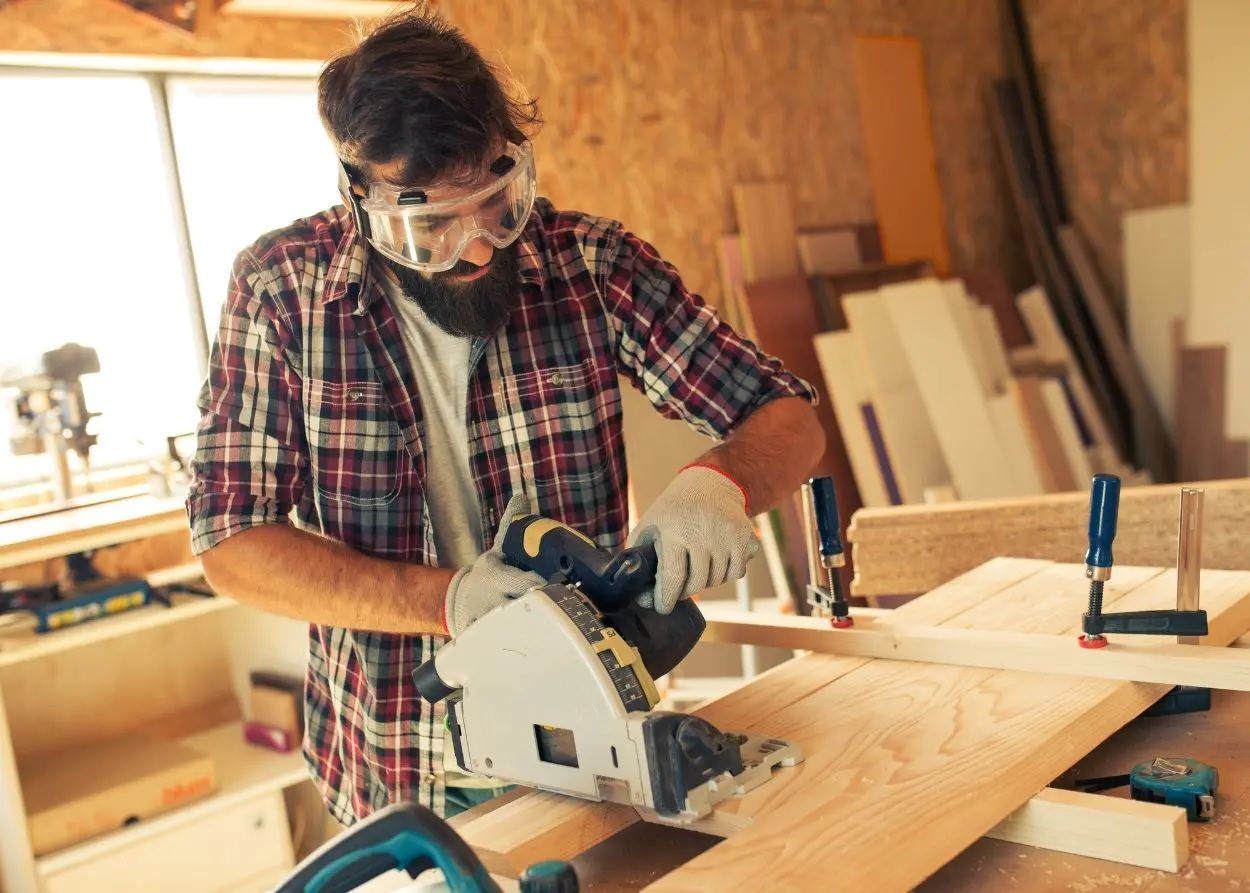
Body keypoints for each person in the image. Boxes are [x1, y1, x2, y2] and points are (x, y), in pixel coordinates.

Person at [187, 8, 825, 825]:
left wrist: (717, 482)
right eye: (434, 226)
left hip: (590, 743)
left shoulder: (588, 263)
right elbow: (231, 544)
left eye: (495, 202)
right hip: (395, 762)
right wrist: (449, 600)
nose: (480, 247)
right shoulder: (283, 292)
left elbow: (789, 415)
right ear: (362, 195)